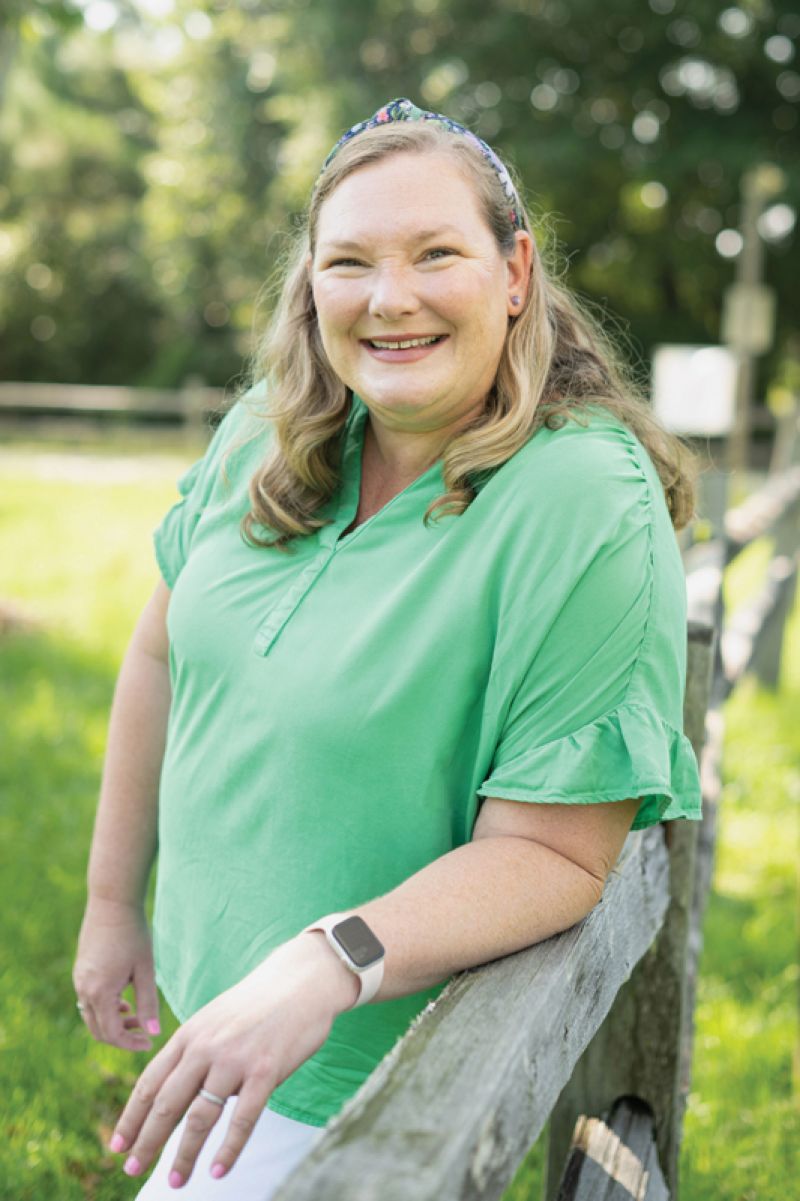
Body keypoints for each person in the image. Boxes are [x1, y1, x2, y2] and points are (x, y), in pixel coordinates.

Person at [73, 96, 703, 1199]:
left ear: (514, 275)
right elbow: (161, 659)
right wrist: (113, 901)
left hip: (367, 1074)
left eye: (434, 254)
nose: (389, 297)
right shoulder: (266, 432)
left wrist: (326, 962)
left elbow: (555, 852)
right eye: (349, 261)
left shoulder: (579, 498)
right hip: (226, 1026)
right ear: (309, 284)